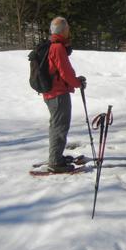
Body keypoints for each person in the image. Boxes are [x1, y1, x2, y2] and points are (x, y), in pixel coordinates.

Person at [43, 17, 86, 173]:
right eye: (67, 28)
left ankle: (57, 157)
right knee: (60, 127)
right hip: (58, 94)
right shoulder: (58, 48)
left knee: (56, 125)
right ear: (63, 30)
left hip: (51, 93)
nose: (69, 30)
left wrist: (74, 81)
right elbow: (65, 72)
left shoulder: (52, 45)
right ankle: (55, 162)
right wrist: (77, 83)